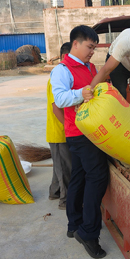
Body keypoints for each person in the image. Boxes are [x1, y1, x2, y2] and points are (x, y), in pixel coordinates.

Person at [50, 25, 109, 259]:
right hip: (79, 132)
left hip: (92, 130)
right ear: (76, 43)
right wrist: (80, 94)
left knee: (79, 176)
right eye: (89, 47)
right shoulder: (62, 69)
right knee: (98, 176)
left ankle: (74, 225)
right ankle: (89, 233)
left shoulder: (90, 67)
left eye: (94, 48)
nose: (92, 51)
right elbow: (60, 98)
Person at [46, 42, 72, 210]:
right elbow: (57, 108)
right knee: (65, 169)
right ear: (64, 57)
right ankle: (65, 201)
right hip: (59, 132)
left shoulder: (65, 75)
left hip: (58, 132)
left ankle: (54, 192)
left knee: (59, 167)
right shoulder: (56, 78)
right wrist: (69, 128)